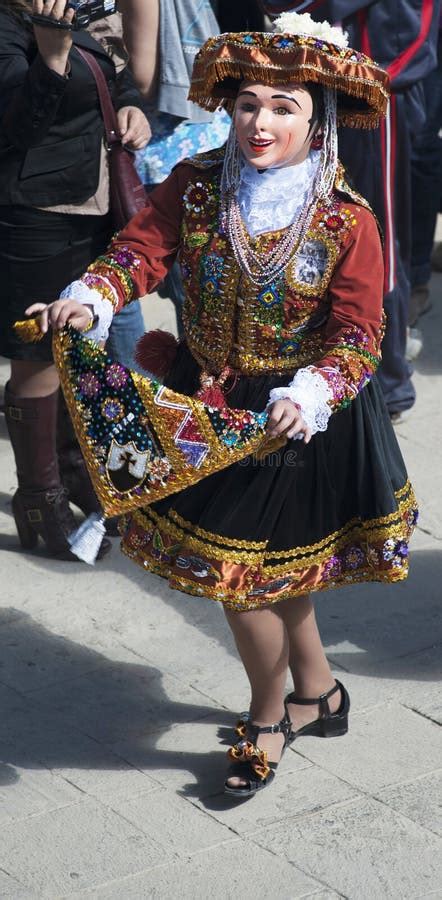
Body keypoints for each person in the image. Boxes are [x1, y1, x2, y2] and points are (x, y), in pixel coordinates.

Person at [30, 12, 418, 796]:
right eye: (248, 104)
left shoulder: (348, 219)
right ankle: (317, 692)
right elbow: (142, 250)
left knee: (242, 578)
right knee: (267, 572)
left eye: (284, 108)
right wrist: (93, 297)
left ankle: (269, 715)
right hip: (207, 407)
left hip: (294, 422)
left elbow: (358, 336)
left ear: (319, 121)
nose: (260, 122)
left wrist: (312, 391)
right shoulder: (197, 182)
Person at [0, 0, 149, 558]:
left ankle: (74, 474)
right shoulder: (12, 24)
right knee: (38, 357)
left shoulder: (68, 11)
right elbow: (17, 125)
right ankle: (39, 499)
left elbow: (112, 76)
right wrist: (53, 54)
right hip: (35, 214)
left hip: (93, 204)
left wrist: (133, 109)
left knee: (81, 349)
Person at [261, 0, 441, 422]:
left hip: (371, 104)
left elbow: (417, 41)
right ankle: (314, 368)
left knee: (375, 238)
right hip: (298, 98)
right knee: (300, 235)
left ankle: (389, 381)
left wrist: (364, 83)